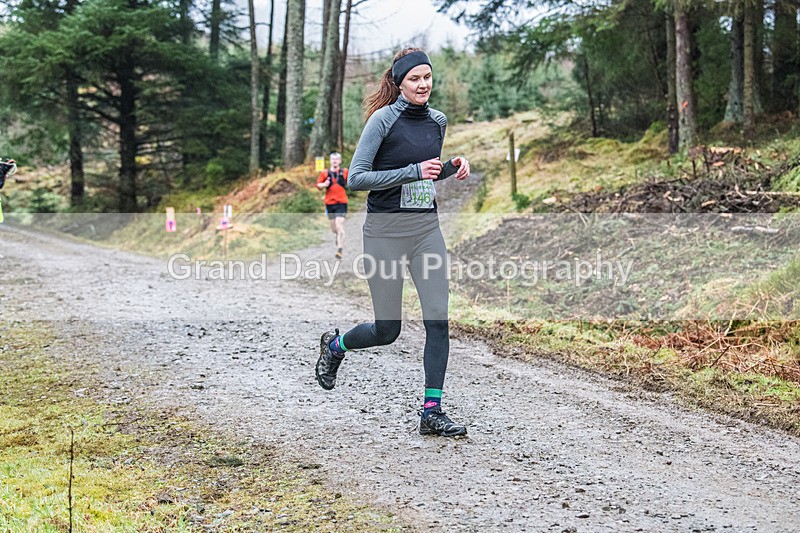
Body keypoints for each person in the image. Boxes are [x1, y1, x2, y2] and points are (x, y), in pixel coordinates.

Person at [314, 48, 471, 437]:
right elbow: (358, 178)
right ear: (399, 83)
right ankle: (335, 347)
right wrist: (413, 171)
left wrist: (449, 168)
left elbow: (425, 174)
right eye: (415, 78)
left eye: (427, 77)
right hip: (384, 232)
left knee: (438, 318)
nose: (423, 84)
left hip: (426, 230)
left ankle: (431, 411)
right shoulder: (382, 120)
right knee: (387, 330)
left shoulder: (437, 121)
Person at [316, 152, 349, 259]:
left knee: (339, 224)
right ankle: (337, 236)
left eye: (337, 159)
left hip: (342, 202)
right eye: (333, 159)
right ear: (330, 161)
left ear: (340, 161)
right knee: (334, 228)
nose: (335, 161)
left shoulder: (345, 172)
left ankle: (340, 249)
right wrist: (324, 184)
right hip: (329, 203)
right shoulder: (325, 173)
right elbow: (318, 185)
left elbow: (351, 182)